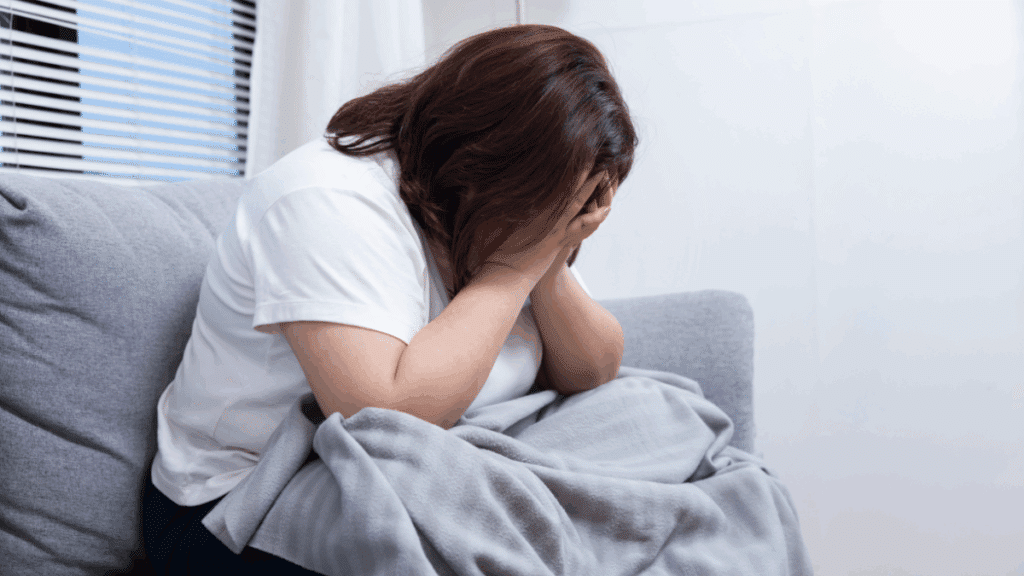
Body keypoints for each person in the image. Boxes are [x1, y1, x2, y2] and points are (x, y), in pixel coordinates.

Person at [142, 23, 638, 574]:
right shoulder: (327, 198)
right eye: (555, 204)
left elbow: (595, 370)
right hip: (241, 502)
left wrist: (550, 255)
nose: (563, 223)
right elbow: (382, 417)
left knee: (654, 414)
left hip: (449, 456)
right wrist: (513, 270)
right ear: (485, 161)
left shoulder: (511, 223)